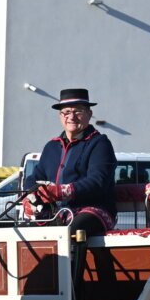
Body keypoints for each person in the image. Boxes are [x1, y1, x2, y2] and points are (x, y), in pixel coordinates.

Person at [24, 88, 117, 238]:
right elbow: (34, 178)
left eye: (78, 111)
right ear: (60, 116)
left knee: (69, 231)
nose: (71, 117)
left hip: (94, 209)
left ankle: (75, 262)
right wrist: (29, 195)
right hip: (58, 212)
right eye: (66, 112)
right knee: (24, 233)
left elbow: (97, 182)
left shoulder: (99, 143)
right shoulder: (51, 147)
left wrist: (61, 192)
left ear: (89, 114)